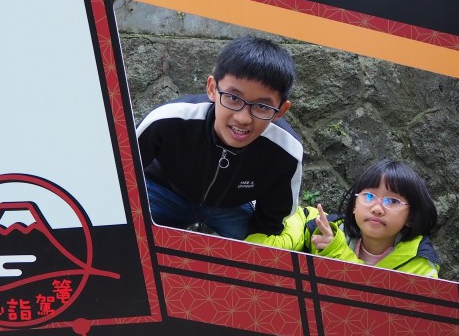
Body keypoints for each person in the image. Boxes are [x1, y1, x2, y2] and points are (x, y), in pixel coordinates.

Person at [136, 36, 303, 239]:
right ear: (212, 89)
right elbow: (121, 172)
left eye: (262, 106)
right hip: (165, 192)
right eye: (233, 98)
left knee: (254, 250)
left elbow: (272, 219)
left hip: (230, 207)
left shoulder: (287, 150)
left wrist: (257, 243)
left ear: (280, 110)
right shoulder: (169, 119)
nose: (243, 118)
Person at [248, 159, 440, 277]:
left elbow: (372, 299)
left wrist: (336, 252)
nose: (377, 209)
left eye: (392, 201)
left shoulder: (420, 264)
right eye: (369, 196)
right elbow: (297, 217)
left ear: (411, 217)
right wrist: (252, 250)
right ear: (355, 205)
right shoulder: (330, 228)